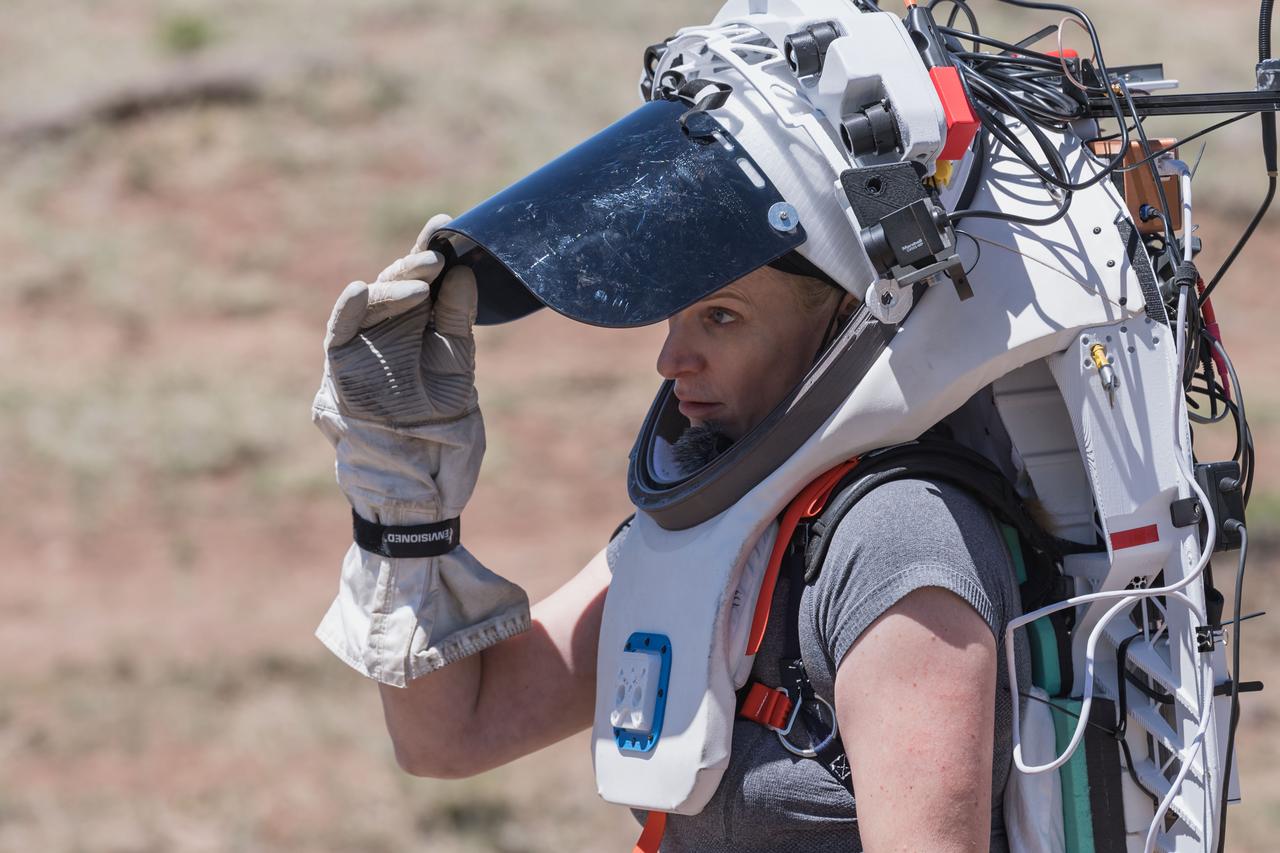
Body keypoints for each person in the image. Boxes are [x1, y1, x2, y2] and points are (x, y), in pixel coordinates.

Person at [313, 227, 1029, 852]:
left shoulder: (898, 539)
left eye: (721, 316)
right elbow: (451, 734)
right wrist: (404, 513)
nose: (671, 358)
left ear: (849, 321)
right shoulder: (709, 524)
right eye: (675, 316)